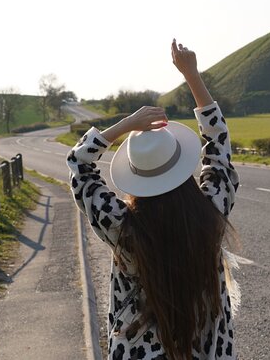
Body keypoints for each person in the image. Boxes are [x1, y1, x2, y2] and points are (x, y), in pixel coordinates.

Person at [67, 39, 240, 360]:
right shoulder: (211, 214)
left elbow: (79, 164)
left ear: (135, 176)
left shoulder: (124, 229)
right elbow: (218, 149)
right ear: (181, 165)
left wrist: (125, 125)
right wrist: (191, 74)